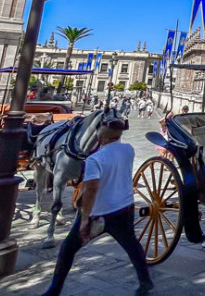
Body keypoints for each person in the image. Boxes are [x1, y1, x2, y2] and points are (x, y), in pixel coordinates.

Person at [42, 118, 152, 296]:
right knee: (132, 245)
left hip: (99, 212)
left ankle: (55, 289)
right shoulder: (128, 150)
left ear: (101, 137)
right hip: (124, 206)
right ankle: (145, 281)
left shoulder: (95, 159)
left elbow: (91, 189)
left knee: (68, 248)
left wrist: (85, 218)